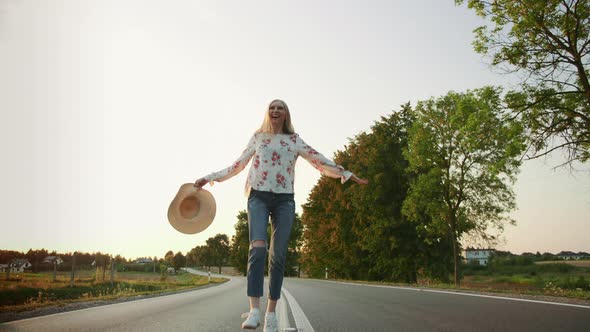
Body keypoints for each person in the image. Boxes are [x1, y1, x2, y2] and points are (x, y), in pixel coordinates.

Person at [194, 99, 368, 331]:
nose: (275, 111)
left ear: (286, 114)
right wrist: (210, 177)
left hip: (285, 200)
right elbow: (238, 164)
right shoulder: (258, 138)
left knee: (278, 256)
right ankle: (254, 310)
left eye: (280, 108)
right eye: (272, 108)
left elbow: (319, 159)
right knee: (257, 247)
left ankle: (271, 315)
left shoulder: (294, 140)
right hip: (258, 197)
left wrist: (344, 172)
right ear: (268, 113)